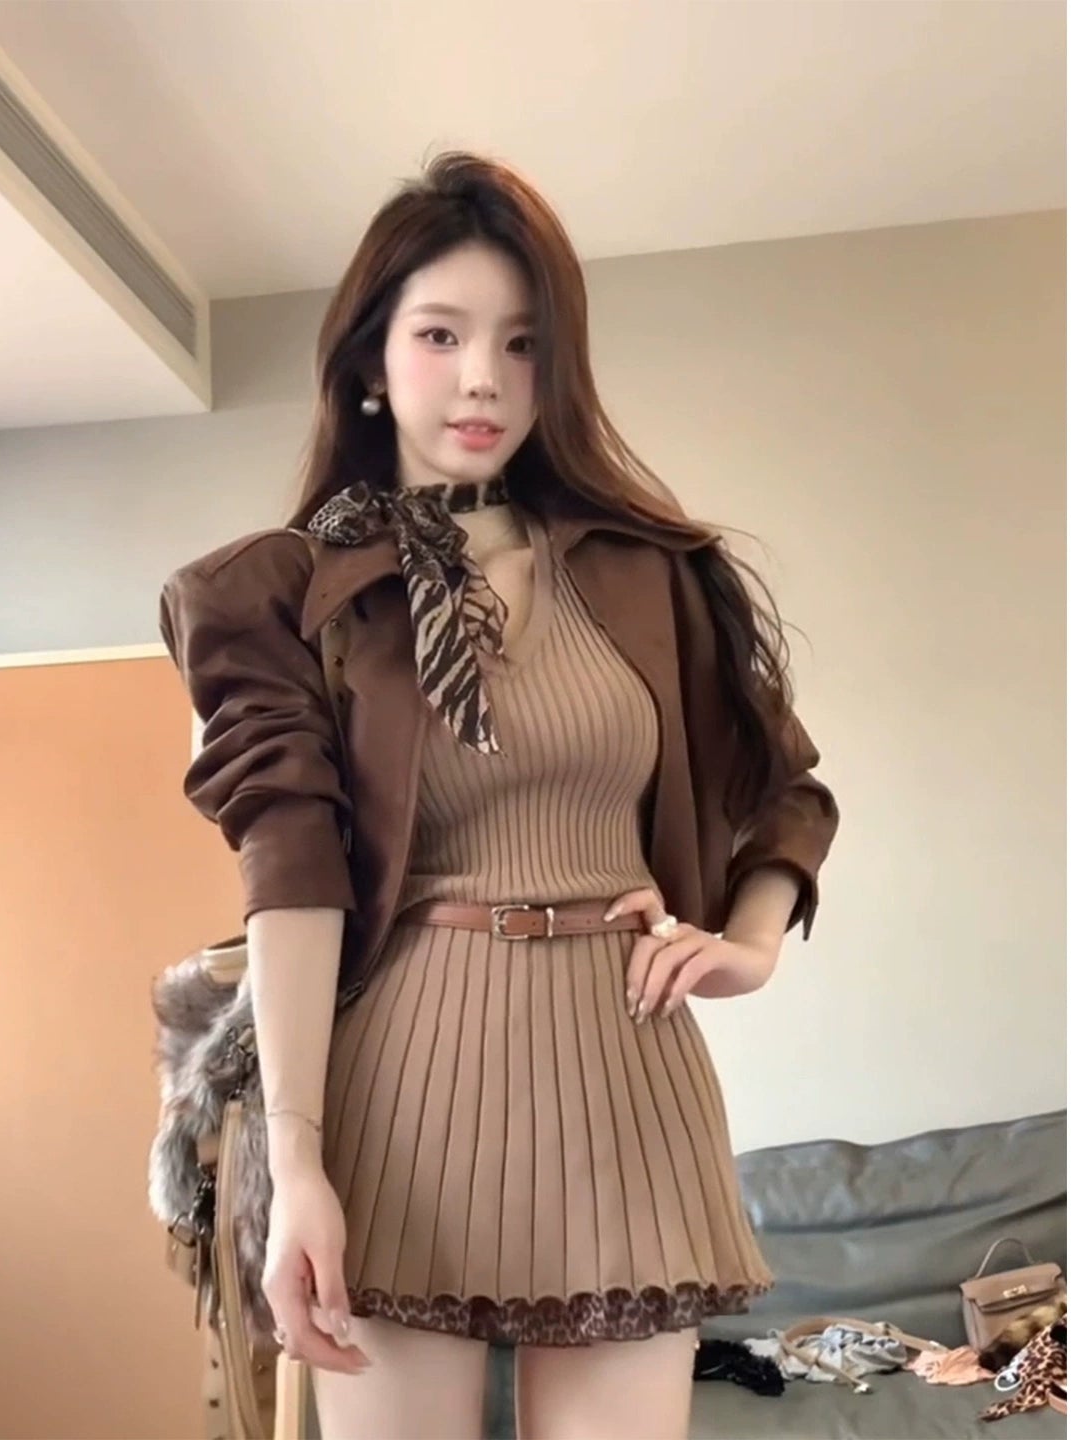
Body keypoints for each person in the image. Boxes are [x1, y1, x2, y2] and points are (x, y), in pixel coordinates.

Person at [159, 151, 839, 1440]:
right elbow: (291, 876)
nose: (484, 377)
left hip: (626, 1080)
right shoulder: (285, 595)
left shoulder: (649, 574)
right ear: (370, 360)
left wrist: (748, 947)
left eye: (523, 343)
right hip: (402, 1095)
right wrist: (297, 1161)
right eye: (441, 334)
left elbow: (784, 789)